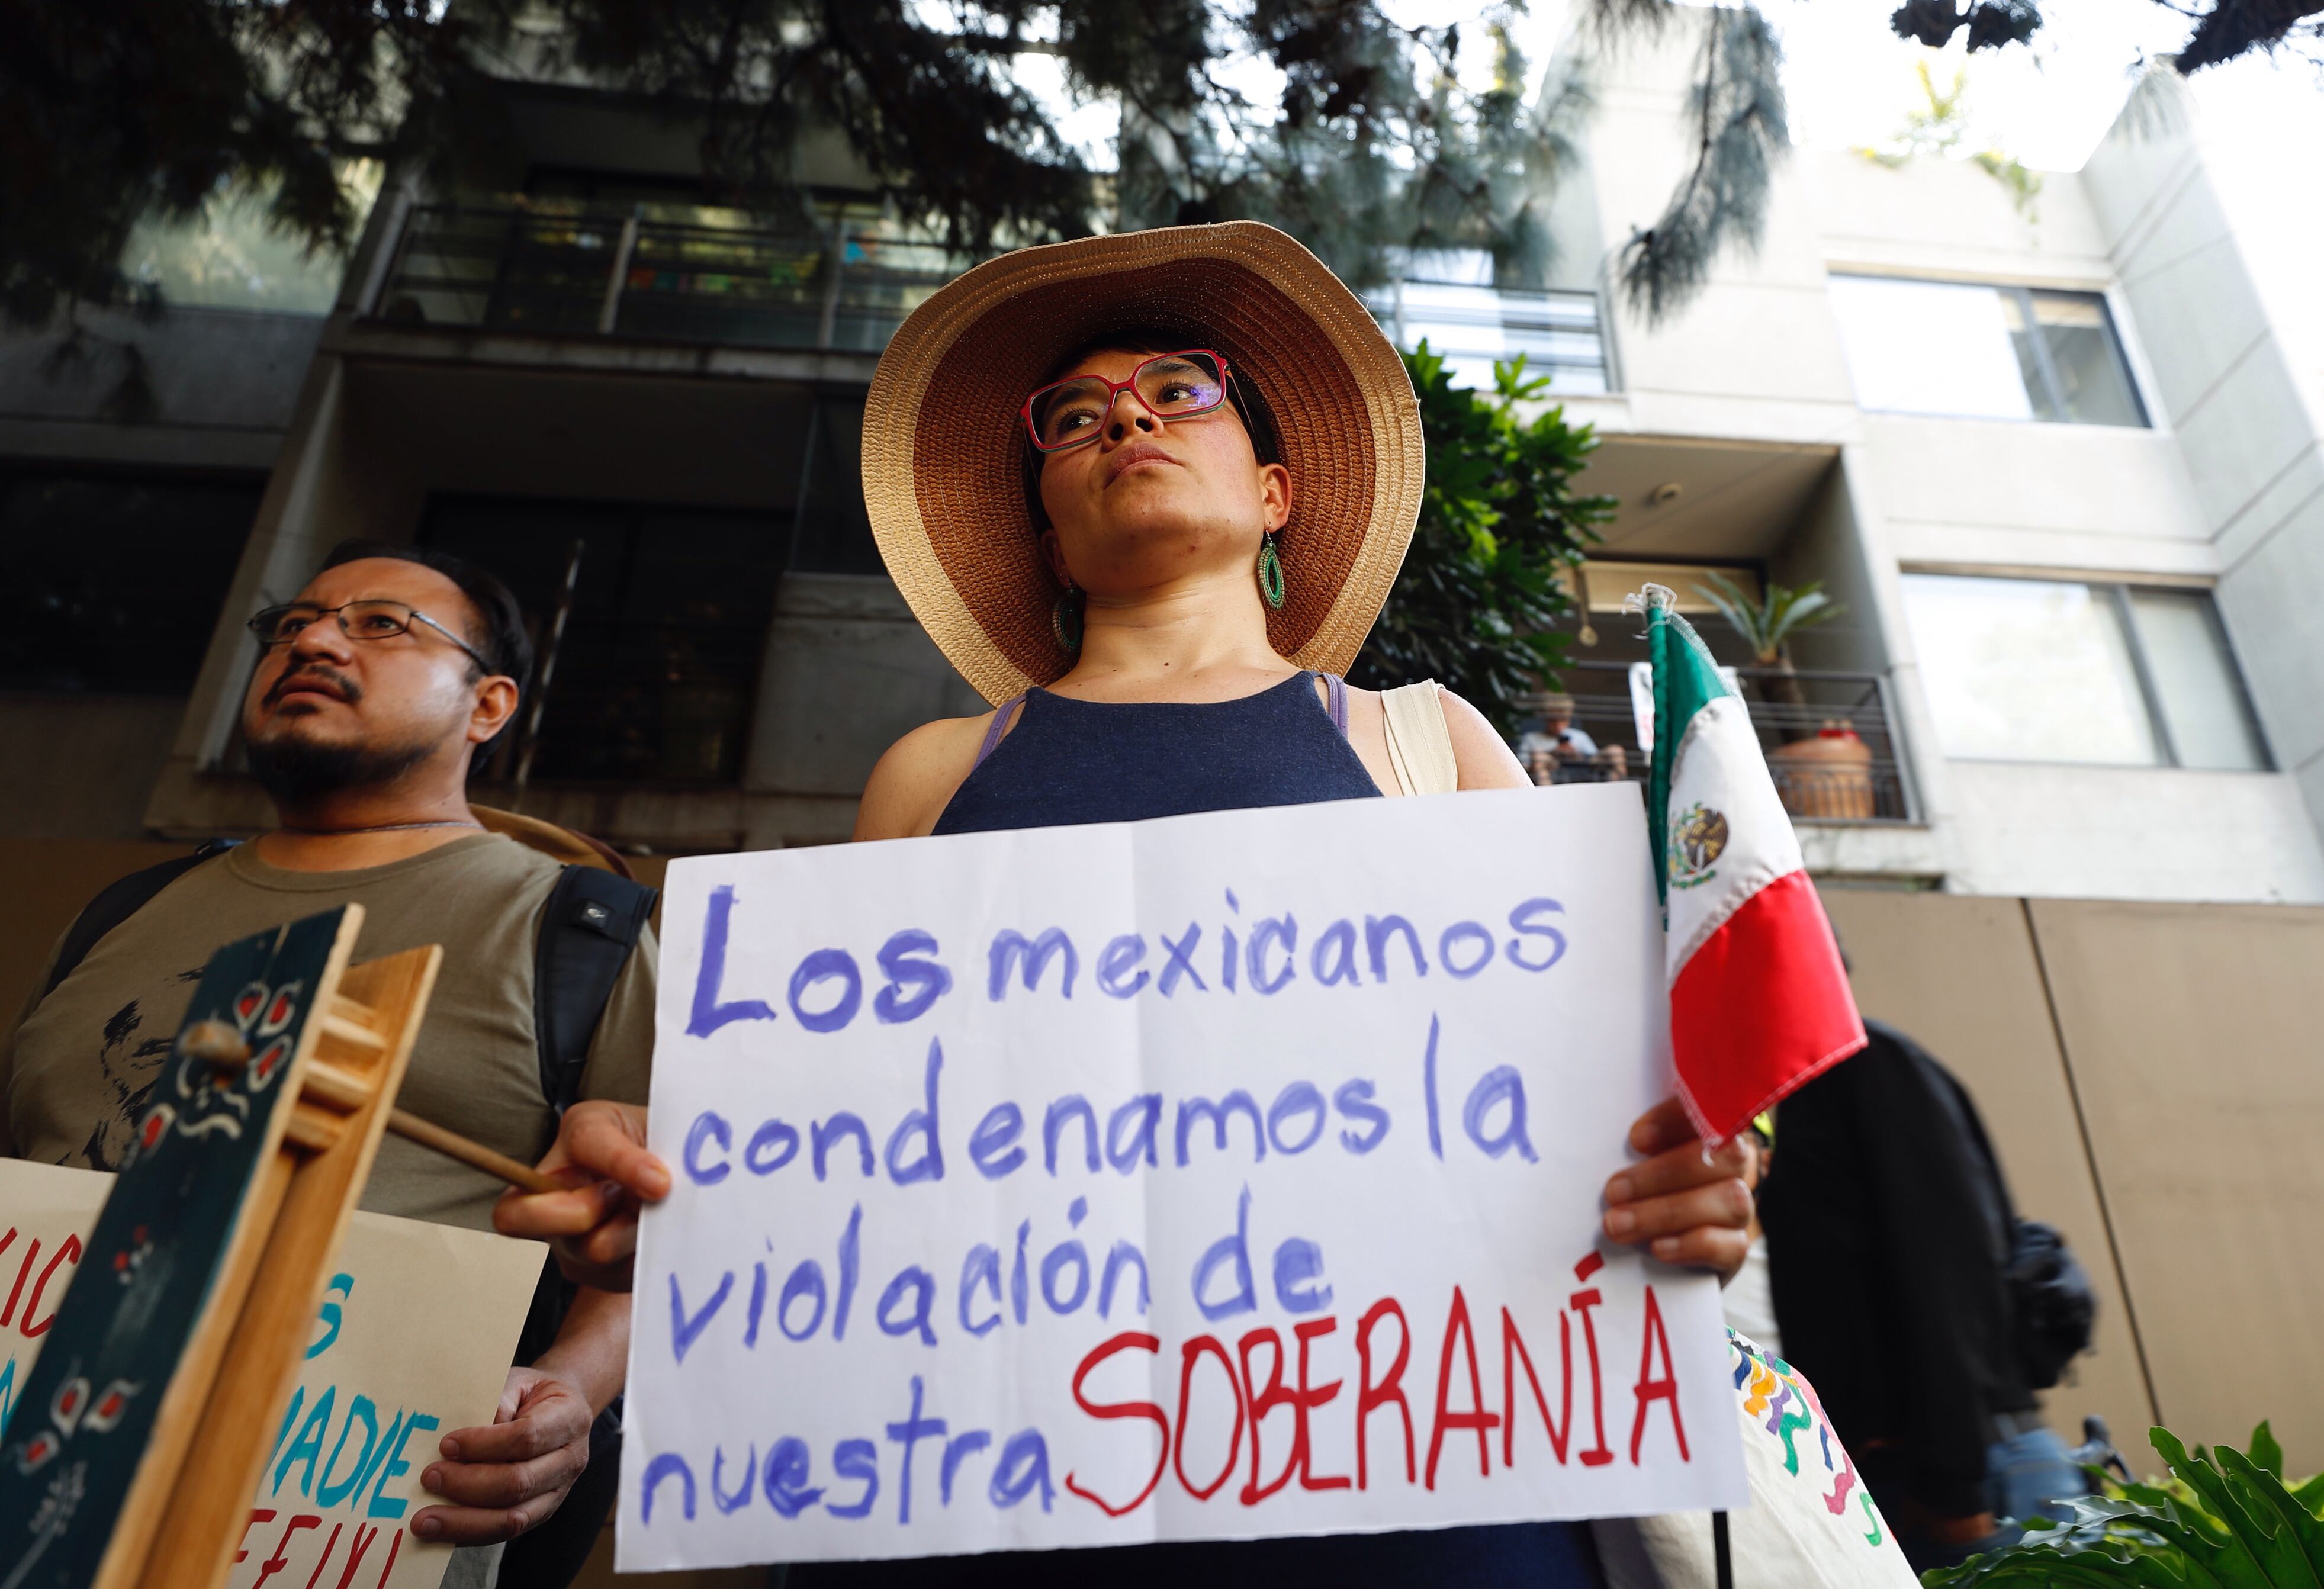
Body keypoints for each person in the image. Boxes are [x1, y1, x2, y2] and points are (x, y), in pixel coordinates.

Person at [502, 221, 1753, 1588]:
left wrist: (1694, 1180)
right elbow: (843, 1139)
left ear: (1274, 491)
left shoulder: (1425, 740)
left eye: (1178, 390)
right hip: (987, 1504)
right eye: (1074, 416)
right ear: (1046, 529)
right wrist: (684, 1190)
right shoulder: (929, 774)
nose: (1126, 418)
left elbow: (1595, 1103)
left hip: (1429, 1504)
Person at [0, 541, 654, 1588]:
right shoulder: (116, 917)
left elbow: (654, 1235)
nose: (310, 638)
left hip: (328, 1526)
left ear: (487, 706)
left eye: (383, 623)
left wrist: (567, 1390)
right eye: (291, 623)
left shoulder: (582, 929)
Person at [1757, 1019, 2086, 1575]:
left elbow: (1951, 1274)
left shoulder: (1857, 1066)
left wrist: (1953, 1487)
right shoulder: (1804, 1087)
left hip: (1961, 1482)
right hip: (1915, 1479)